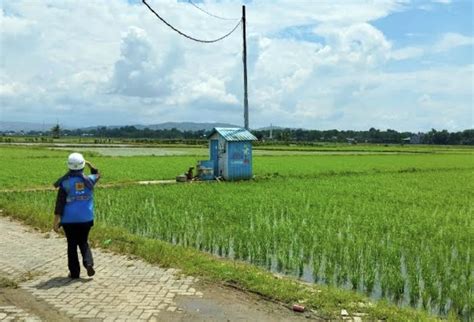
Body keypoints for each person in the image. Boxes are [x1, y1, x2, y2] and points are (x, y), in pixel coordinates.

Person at [53, 152, 100, 279]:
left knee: (72, 245)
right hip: (86, 218)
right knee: (83, 242)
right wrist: (90, 164)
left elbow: (60, 204)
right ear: (83, 165)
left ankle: (74, 273)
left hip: (69, 220)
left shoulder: (65, 183)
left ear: (69, 166)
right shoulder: (90, 180)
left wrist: (55, 222)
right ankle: (88, 263)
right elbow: (97, 174)